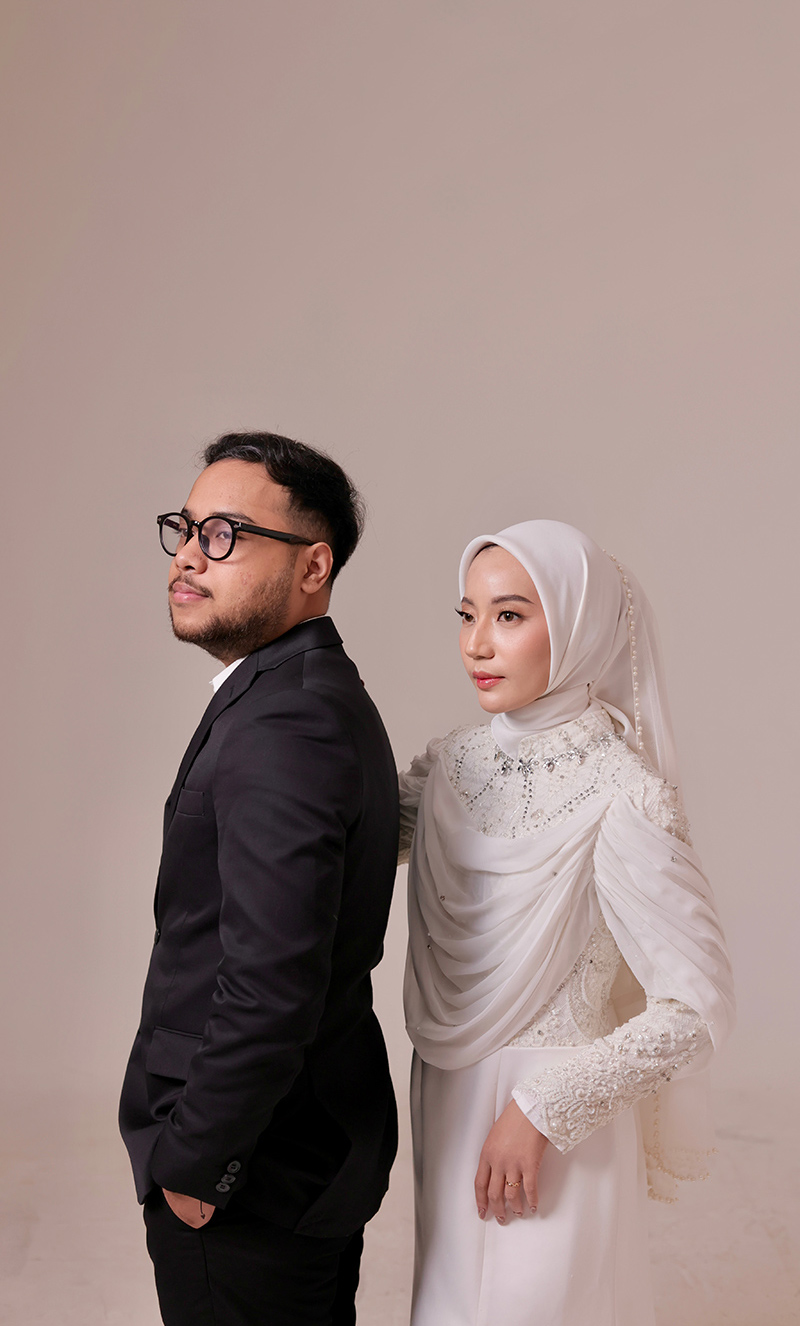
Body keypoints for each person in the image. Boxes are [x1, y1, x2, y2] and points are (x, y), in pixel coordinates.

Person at [399, 520, 735, 1326]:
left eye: (510, 616)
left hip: (555, 1125)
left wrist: (543, 1110)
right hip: (446, 1099)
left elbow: (697, 1006)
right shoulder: (447, 768)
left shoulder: (621, 793)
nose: (477, 643)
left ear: (579, 628)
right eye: (467, 615)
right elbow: (334, 845)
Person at [119, 432, 399, 1326]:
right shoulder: (291, 692)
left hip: (254, 1177)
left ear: (314, 566)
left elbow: (273, 980)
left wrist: (198, 1163)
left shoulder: (290, 721)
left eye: (227, 534)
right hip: (293, 1157)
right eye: (187, 528)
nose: (190, 556)